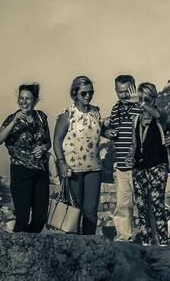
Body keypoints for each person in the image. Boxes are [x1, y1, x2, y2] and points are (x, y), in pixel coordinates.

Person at [53, 75, 109, 235]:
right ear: (75, 93)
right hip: (72, 169)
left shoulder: (96, 112)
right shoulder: (67, 114)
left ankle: (89, 247)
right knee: (74, 211)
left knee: (91, 211)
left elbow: (98, 131)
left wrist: (108, 132)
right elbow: (57, 140)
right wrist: (61, 163)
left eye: (91, 92)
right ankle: (73, 248)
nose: (88, 96)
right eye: (84, 93)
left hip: (94, 167)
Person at [0, 82, 51, 232]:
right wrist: (14, 121)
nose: (24, 102)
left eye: (28, 98)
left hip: (41, 172)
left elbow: (48, 142)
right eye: (21, 98)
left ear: (35, 100)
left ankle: (31, 245)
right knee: (22, 218)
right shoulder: (12, 118)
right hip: (21, 171)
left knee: (40, 218)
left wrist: (43, 148)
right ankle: (19, 250)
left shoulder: (42, 117)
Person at [131, 82, 170, 246]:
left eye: (149, 97)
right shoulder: (136, 119)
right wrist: (131, 157)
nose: (145, 100)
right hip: (139, 167)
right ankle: (146, 241)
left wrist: (143, 103)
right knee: (141, 206)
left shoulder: (161, 117)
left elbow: (158, 115)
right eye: (142, 96)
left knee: (157, 204)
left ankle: (163, 241)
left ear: (154, 98)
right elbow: (135, 144)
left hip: (157, 165)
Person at [107, 74, 142, 240]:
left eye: (127, 91)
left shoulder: (140, 105)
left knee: (143, 203)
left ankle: (150, 235)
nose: (124, 95)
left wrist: (139, 103)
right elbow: (111, 128)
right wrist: (109, 133)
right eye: (120, 91)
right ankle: (123, 237)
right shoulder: (115, 109)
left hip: (140, 165)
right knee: (123, 204)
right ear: (115, 91)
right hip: (121, 164)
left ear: (134, 88)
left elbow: (150, 122)